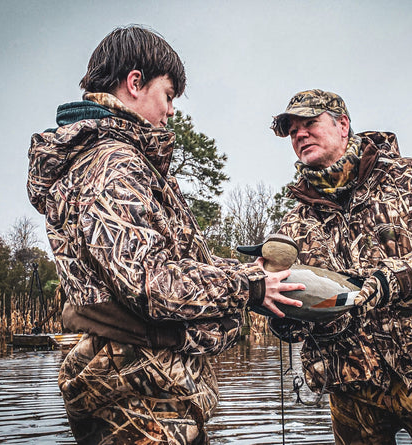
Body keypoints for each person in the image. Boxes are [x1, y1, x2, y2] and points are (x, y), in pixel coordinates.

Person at [26, 25, 302, 445]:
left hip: (152, 390)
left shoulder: (117, 160)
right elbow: (150, 283)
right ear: (135, 83)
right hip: (138, 397)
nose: (172, 111)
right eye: (168, 95)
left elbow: (171, 264)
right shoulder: (112, 163)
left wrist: (250, 275)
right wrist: (247, 286)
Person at [268, 89, 412, 445]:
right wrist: (285, 315)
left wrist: (392, 279)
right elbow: (294, 301)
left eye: (309, 124)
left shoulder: (411, 178)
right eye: (293, 132)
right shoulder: (295, 222)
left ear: (343, 125)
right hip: (349, 387)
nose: (300, 135)